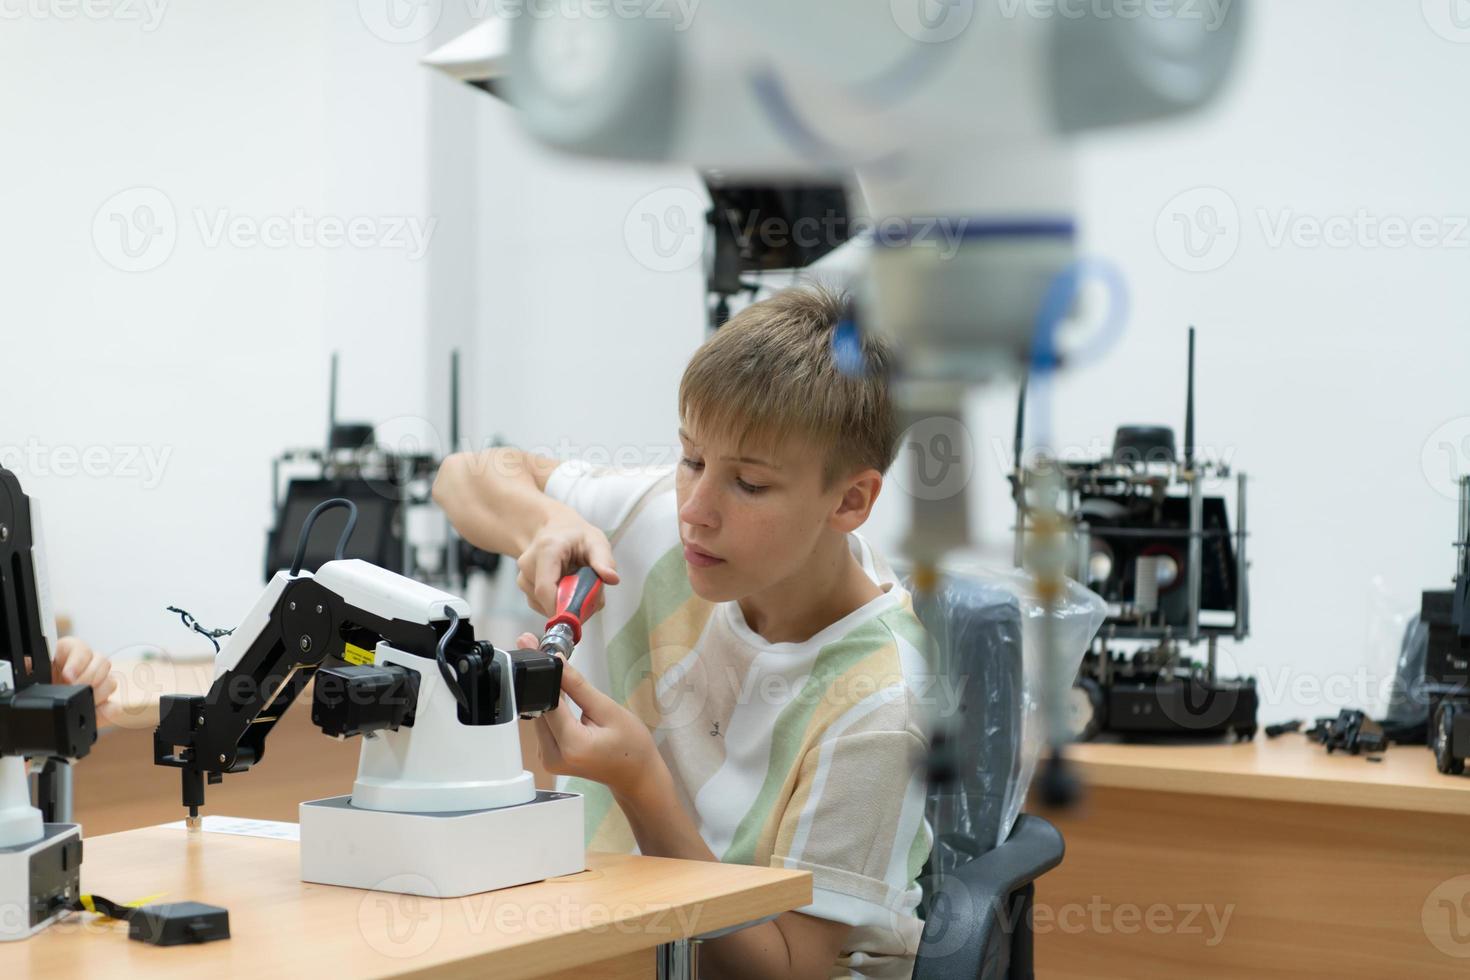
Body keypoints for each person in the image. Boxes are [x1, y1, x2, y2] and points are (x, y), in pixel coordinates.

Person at [434, 284, 935, 980]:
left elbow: (779, 971)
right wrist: (545, 524)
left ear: (850, 500)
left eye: (749, 485)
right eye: (692, 459)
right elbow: (465, 477)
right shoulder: (658, 521)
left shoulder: (882, 705)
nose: (695, 511)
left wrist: (640, 783)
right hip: (602, 949)